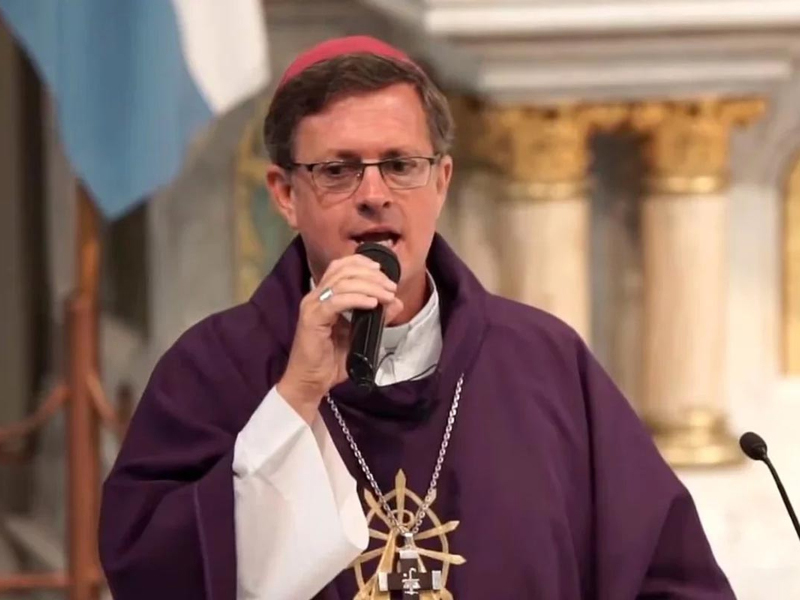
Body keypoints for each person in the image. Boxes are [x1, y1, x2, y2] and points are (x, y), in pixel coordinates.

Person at [98, 36, 735, 600]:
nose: (374, 195)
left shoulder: (544, 362)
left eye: (401, 165)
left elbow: (669, 576)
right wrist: (296, 397)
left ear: (441, 181)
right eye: (338, 170)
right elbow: (155, 574)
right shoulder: (212, 369)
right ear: (286, 195)